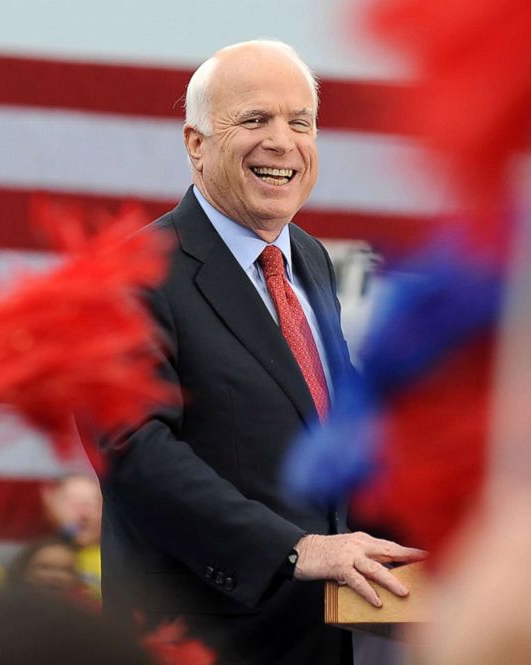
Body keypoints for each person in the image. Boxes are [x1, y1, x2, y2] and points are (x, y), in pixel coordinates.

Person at [99, 39, 424, 665]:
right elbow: (135, 451)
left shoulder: (309, 259)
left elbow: (340, 429)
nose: (282, 142)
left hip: (320, 636)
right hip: (197, 640)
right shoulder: (132, 272)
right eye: (255, 120)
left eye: (300, 123)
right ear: (196, 143)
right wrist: (294, 549)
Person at [41, 472, 103, 598]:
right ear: (50, 503)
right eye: (72, 503)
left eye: (93, 503)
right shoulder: (38, 556)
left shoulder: (127, 561)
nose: (84, 513)